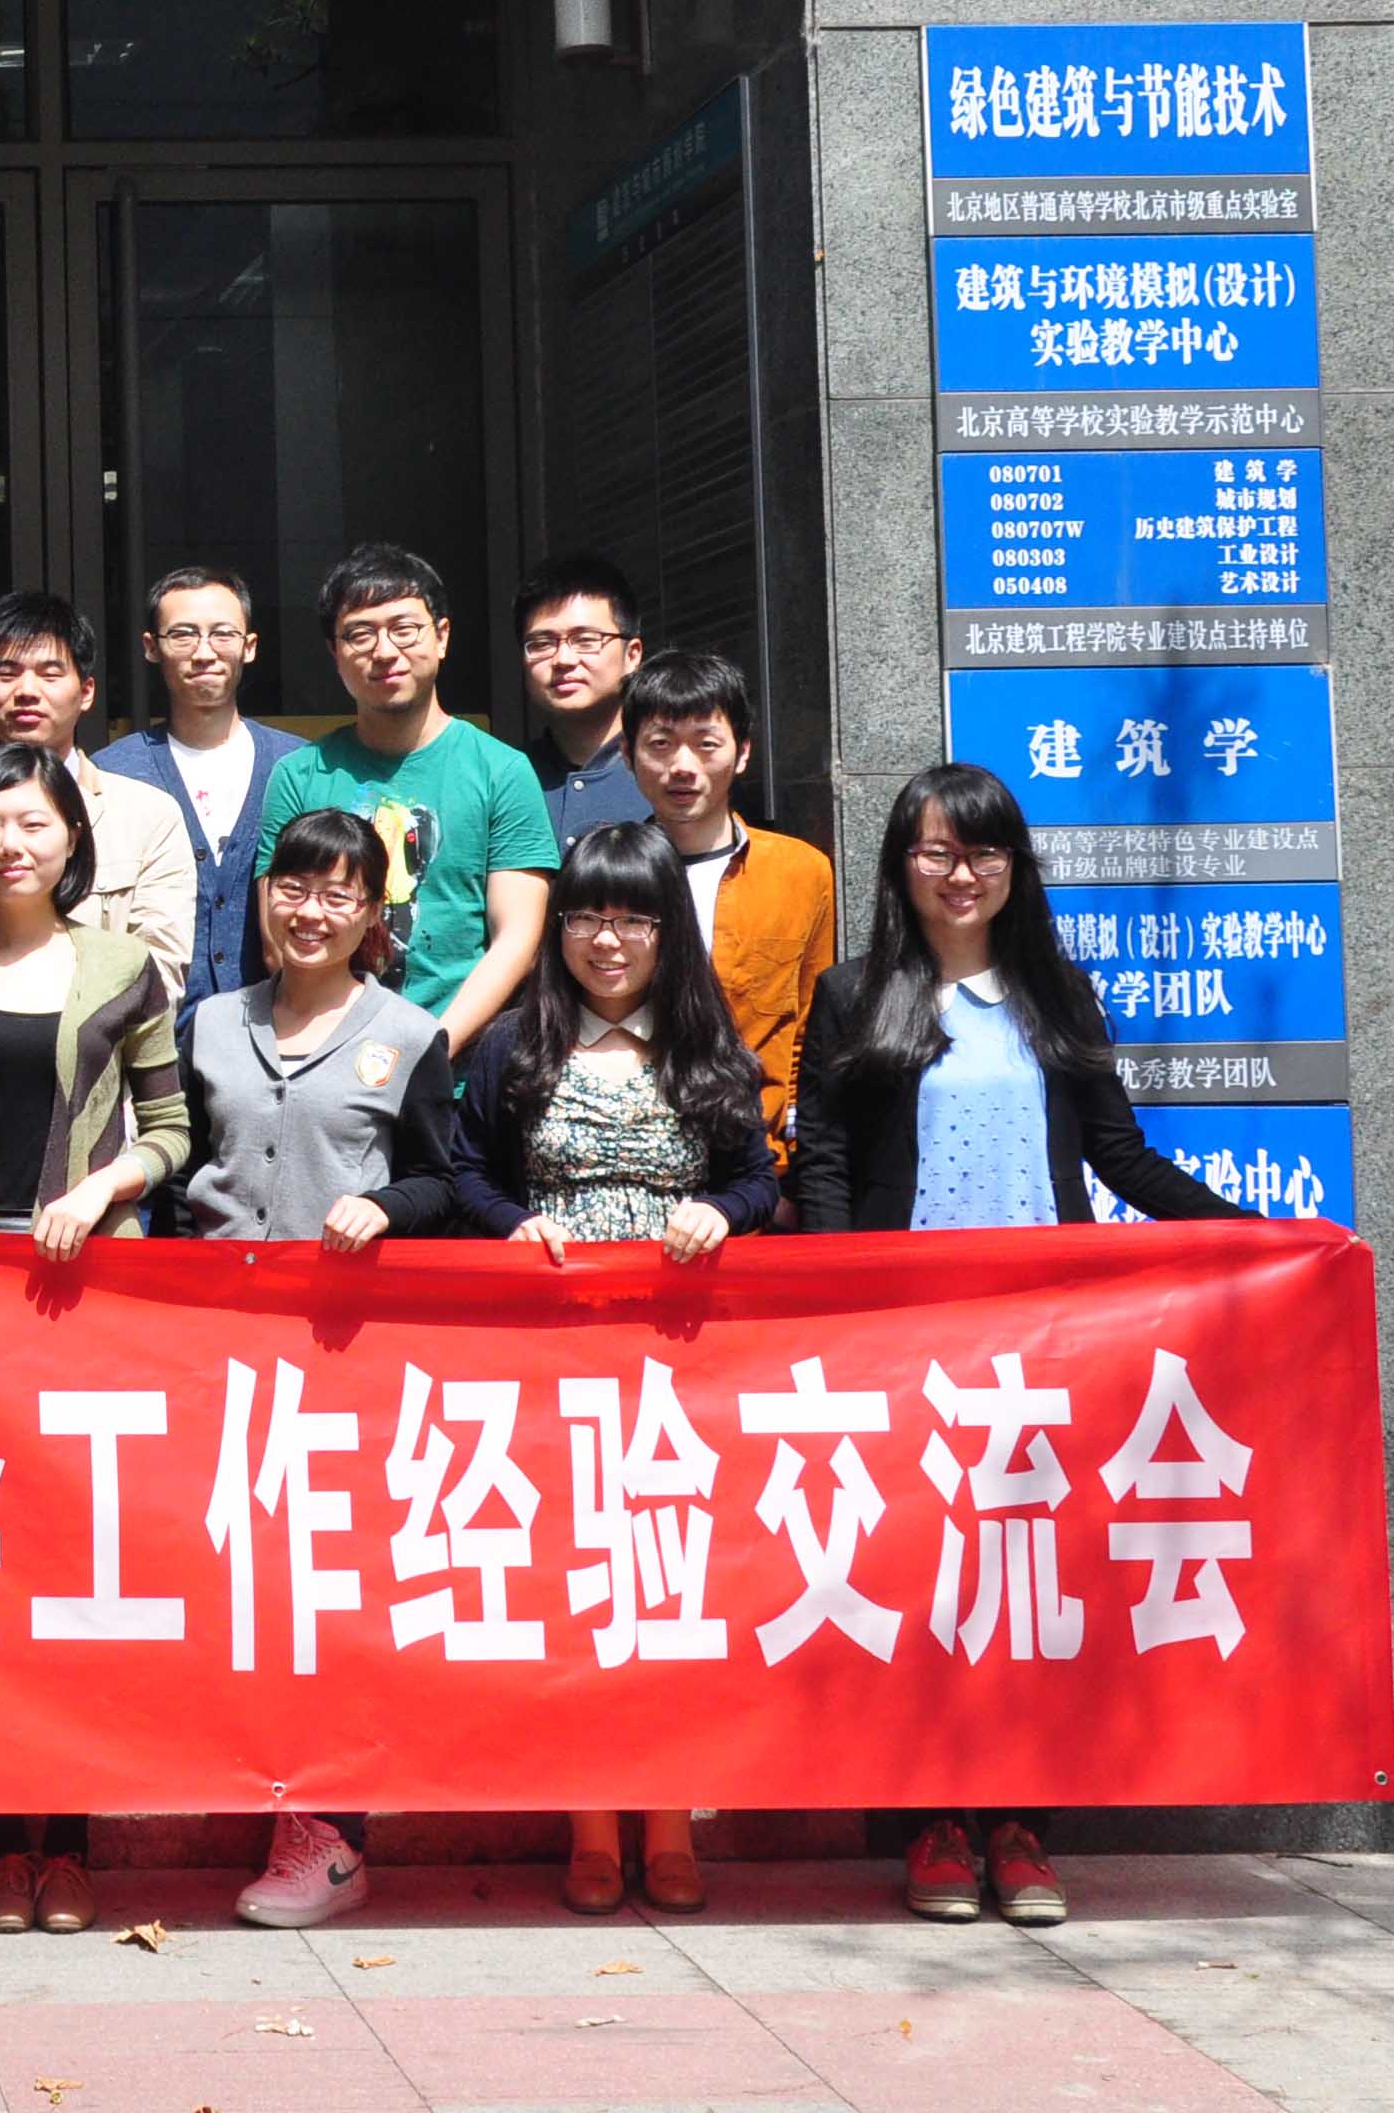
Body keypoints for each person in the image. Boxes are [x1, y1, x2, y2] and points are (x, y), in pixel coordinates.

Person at [785, 763, 1255, 1932]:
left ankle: (1019, 1824)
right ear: (901, 864)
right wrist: (837, 1301)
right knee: (919, 1580)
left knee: (1027, 1580)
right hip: (905, 1337)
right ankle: (932, 1822)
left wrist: (1256, 1236)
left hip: (1041, 1340)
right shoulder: (853, 994)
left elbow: (1117, 1155)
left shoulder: (1058, 992)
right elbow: (824, 1164)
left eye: (984, 850)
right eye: (936, 851)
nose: (961, 873)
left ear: (1013, 865)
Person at [439, 821, 782, 1923]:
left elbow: (759, 1181)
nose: (608, 939)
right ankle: (591, 1823)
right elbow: (462, 1175)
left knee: (672, 1591)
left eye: (634, 917)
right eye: (587, 914)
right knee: (577, 1595)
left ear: (668, 929)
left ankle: (671, 1821)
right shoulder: (514, 1048)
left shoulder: (706, 1049)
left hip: (681, 1367)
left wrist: (720, 1211)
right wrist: (514, 1225)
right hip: (552, 1363)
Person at [0, 742, 186, 1941]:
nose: (11, 844)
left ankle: (70, 1847)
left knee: (72, 1579)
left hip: (82, 1297)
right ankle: (2, 1845)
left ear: (71, 838)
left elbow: (170, 1126)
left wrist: (101, 1186)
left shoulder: (123, 966)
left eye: (33, 822)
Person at [169, 806, 456, 1935]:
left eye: (340, 894)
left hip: (342, 1356)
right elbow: (172, 1166)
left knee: (327, 1594)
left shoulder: (408, 1033)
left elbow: (444, 1181)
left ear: (374, 913)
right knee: (229, 1583)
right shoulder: (206, 1024)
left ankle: (330, 1836)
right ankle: (249, 1787)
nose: (312, 911)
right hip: (213, 1348)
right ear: (262, 898)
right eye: (294, 887)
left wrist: (384, 1206)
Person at [254, 545, 558, 1053]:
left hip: (457, 1070)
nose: (384, 650)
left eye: (404, 629)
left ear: (442, 637)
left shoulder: (501, 771)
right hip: (324, 1060)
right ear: (334, 652)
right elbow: (277, 933)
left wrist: (432, 1049)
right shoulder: (299, 775)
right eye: (360, 634)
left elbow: (517, 940)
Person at [622, 649, 834, 1156]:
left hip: (758, 1156)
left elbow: (812, 1029)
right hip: (633, 1149)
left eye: (706, 744)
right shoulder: (607, 874)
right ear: (627, 755)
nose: (683, 767)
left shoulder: (801, 872)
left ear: (742, 754)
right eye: (660, 744)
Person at [93, 565, 304, 1012]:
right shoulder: (113, 773)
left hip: (278, 1033)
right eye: (183, 635)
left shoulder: (298, 767)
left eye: (223, 634)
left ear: (249, 647)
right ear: (151, 647)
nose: (204, 652)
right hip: (152, 1035)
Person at [0, 590, 195, 982]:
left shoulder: (149, 816)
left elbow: (159, 973)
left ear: (86, 693)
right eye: (7, 674)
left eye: (50, 674)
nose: (27, 691)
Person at [512, 552, 650, 844]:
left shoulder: (669, 773)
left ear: (632, 655)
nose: (563, 659)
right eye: (541, 644)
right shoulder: (506, 777)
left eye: (586, 640)